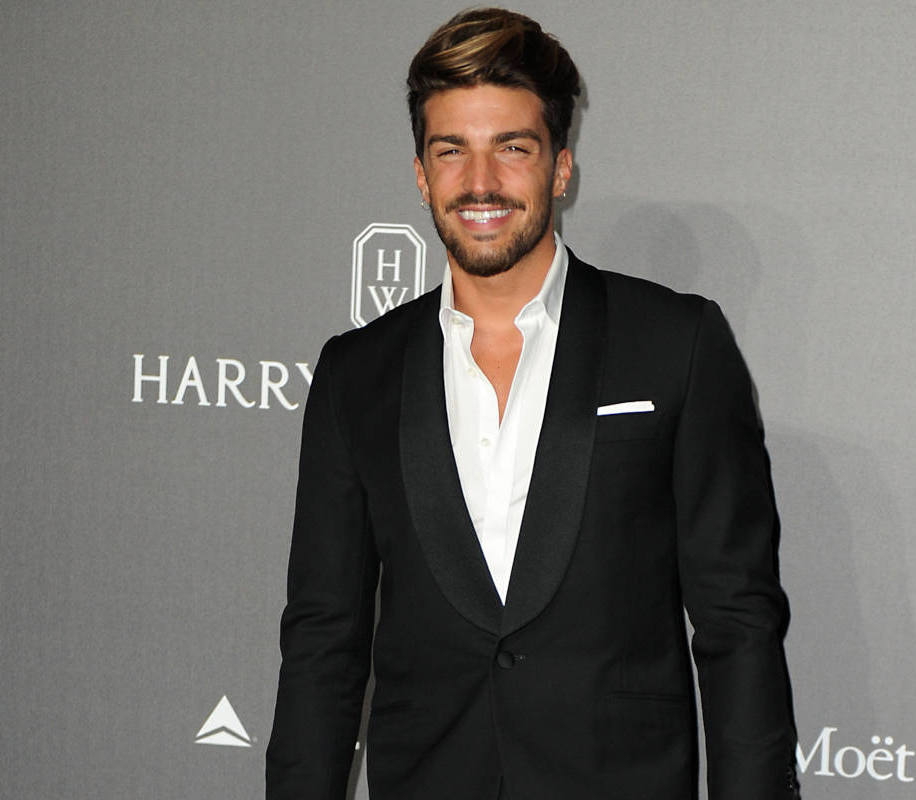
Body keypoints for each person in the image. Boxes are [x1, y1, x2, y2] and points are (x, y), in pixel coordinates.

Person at [267, 8, 799, 800]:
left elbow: (737, 622)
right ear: (421, 174)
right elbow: (324, 641)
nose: (480, 182)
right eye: (452, 150)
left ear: (560, 168)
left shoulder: (675, 344)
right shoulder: (357, 373)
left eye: (512, 148)